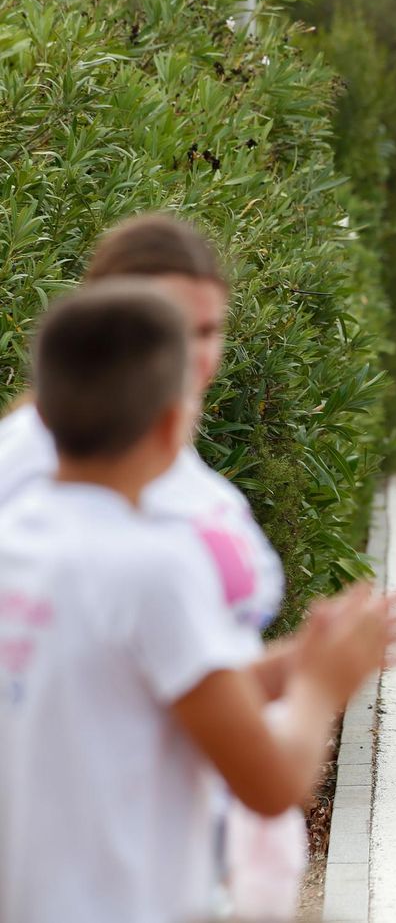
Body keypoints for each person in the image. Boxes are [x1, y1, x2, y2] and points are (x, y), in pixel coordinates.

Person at [0, 282, 396, 923]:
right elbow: (270, 783)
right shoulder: (155, 564)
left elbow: (139, 690)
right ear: (170, 422)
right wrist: (324, 684)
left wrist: (292, 662)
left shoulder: (16, 537)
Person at [0, 215, 293, 915]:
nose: (191, 356)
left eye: (208, 331)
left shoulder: (191, 477)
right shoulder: (29, 464)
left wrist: (297, 664)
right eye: (169, 327)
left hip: (191, 851)